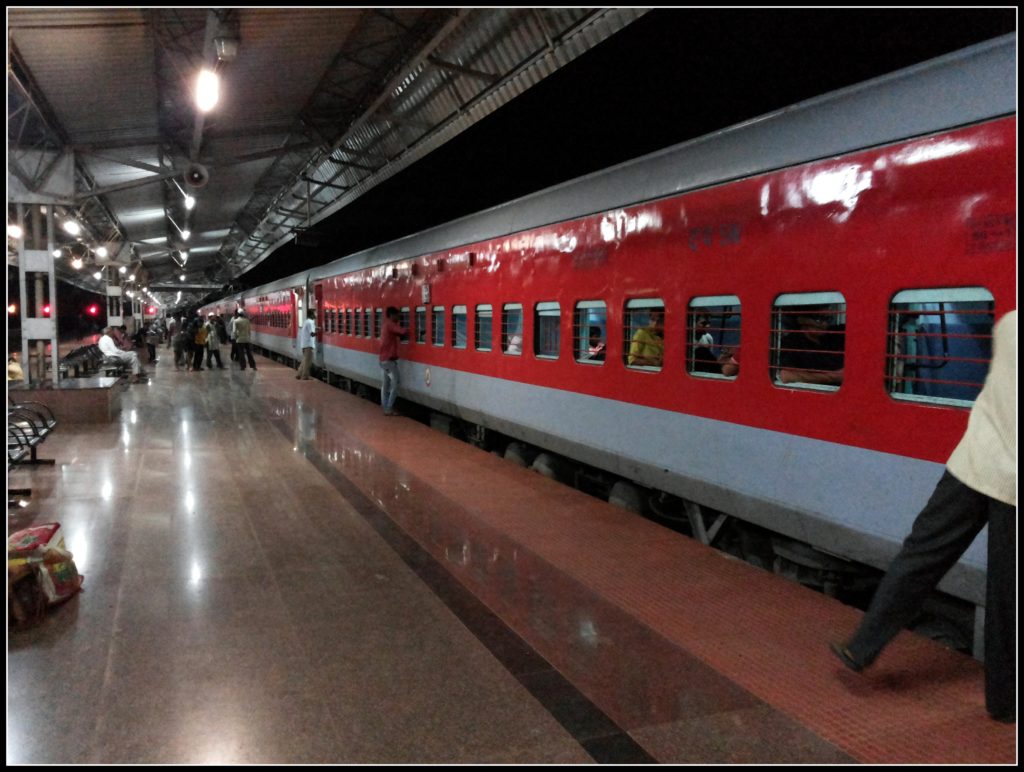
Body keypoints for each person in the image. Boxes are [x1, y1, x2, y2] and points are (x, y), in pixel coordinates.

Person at [830, 309, 1016, 724]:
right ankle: (1005, 702)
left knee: (919, 556)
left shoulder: (1008, 326)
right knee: (1007, 592)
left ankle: (862, 646)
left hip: (970, 465)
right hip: (1012, 485)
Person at [778, 311, 844, 385]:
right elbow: (786, 376)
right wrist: (833, 377)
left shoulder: (833, 335)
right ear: (802, 319)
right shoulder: (792, 343)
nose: (825, 324)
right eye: (819, 319)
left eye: (828, 319)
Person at [379, 306, 407, 415]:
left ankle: (385, 407)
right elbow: (402, 331)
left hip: (383, 360)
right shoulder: (390, 325)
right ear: (391, 315)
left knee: (385, 384)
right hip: (388, 361)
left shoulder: (386, 325)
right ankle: (389, 407)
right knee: (396, 383)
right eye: (397, 315)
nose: (399, 317)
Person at [295, 309, 317, 380]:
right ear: (311, 315)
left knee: (304, 360)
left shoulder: (306, 321)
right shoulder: (310, 322)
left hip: (304, 344)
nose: (316, 315)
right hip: (308, 345)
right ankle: (305, 376)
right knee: (308, 362)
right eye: (315, 313)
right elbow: (312, 334)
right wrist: (320, 331)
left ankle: (299, 374)